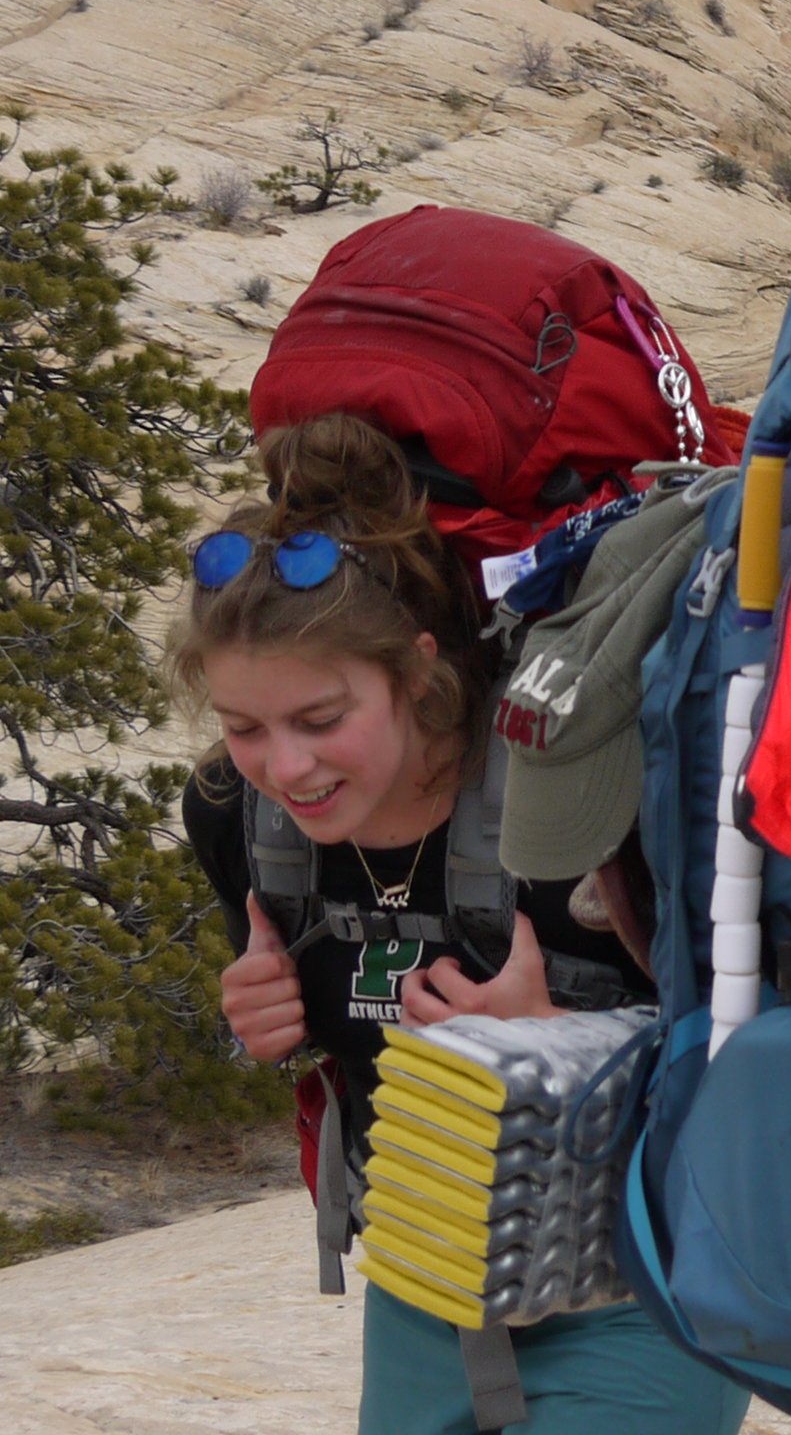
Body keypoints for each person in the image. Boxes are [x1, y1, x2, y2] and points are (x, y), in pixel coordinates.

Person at [178, 413, 750, 1435]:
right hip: (421, 1271)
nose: (286, 767)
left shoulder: (568, 798)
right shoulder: (238, 814)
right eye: (244, 725)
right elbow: (327, 1017)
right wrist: (264, 1018)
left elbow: (749, 1040)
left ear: (416, 668)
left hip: (641, 1282)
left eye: (320, 718)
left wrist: (552, 1043)